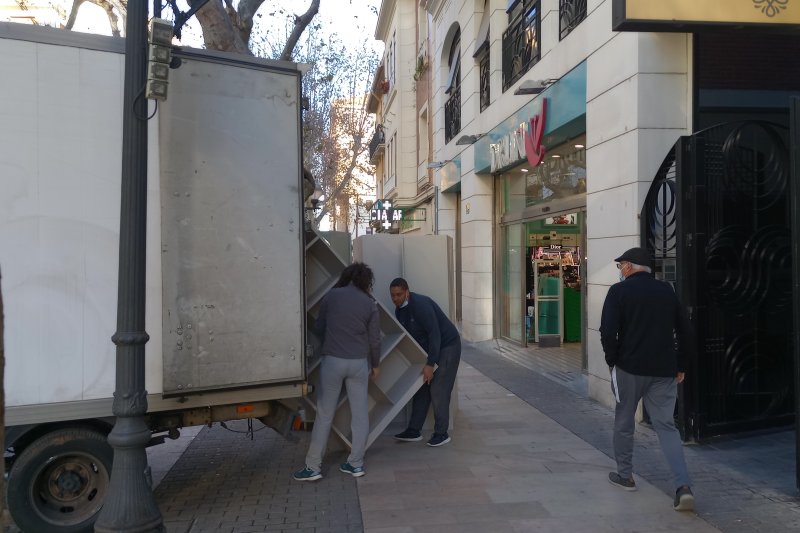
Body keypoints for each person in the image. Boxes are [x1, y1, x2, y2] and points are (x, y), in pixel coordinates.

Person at [600, 247, 694, 511]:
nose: (620, 271)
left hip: (629, 368)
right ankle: (683, 486)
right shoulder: (667, 291)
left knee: (624, 420)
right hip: (664, 370)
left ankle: (625, 475)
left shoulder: (618, 292)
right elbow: (685, 330)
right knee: (666, 426)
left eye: (621, 266)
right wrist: (681, 364)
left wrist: (612, 360)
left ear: (629, 267)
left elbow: (608, 331)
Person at [293, 262, 381, 481]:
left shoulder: (331, 296)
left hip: (333, 361)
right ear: (365, 281)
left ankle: (313, 467)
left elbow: (320, 327)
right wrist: (376, 364)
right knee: (360, 415)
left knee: (324, 414)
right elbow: (374, 340)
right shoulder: (370, 303)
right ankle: (356, 464)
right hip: (359, 363)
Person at [389, 278, 461, 447]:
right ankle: (414, 430)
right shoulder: (399, 311)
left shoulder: (421, 305)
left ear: (407, 292)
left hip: (448, 346)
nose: (395, 299)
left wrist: (430, 364)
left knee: (439, 389)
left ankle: (441, 433)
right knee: (421, 388)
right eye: (392, 295)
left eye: (399, 294)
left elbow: (434, 334)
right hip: (431, 350)